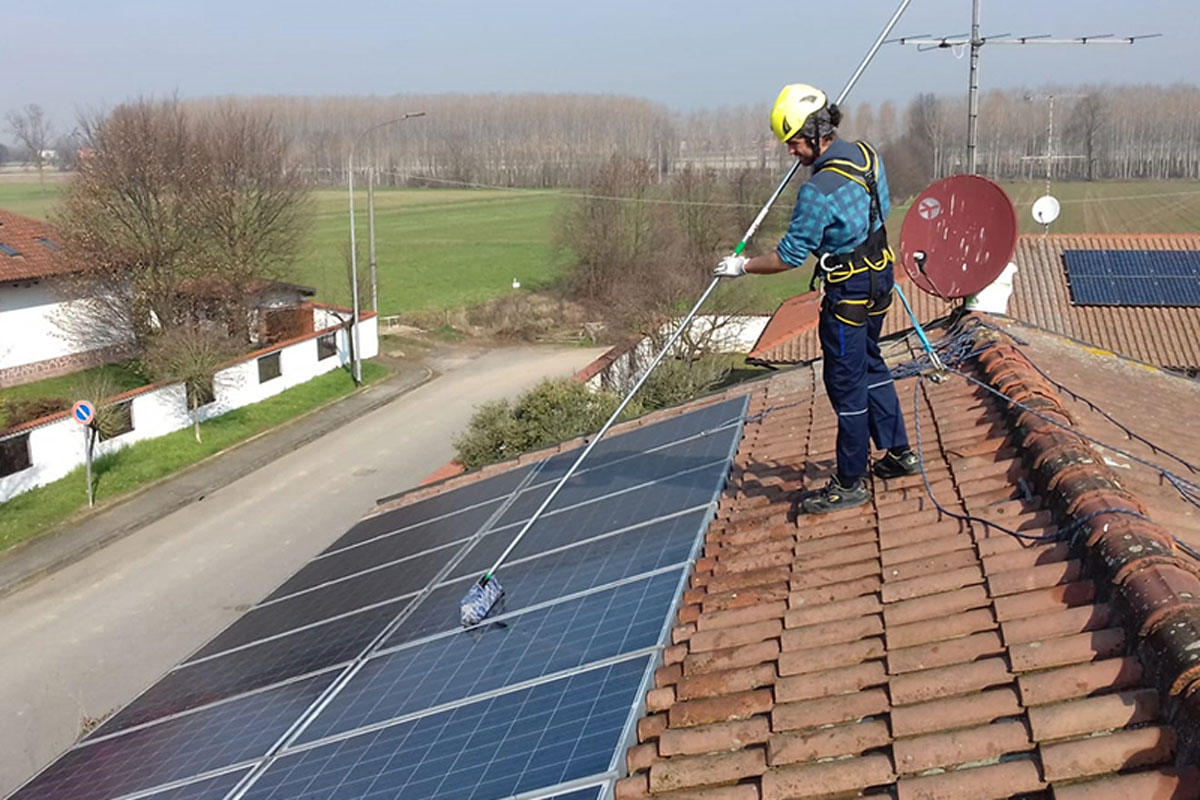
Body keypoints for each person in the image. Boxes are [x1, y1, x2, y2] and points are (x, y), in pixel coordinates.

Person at [714, 83, 921, 513]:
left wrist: (744, 266)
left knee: (846, 384)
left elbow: (790, 255)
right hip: (881, 276)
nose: (789, 152)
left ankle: (850, 481)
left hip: (848, 292)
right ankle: (899, 452)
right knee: (871, 361)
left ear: (812, 133)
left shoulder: (817, 191)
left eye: (792, 143)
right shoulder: (867, 156)